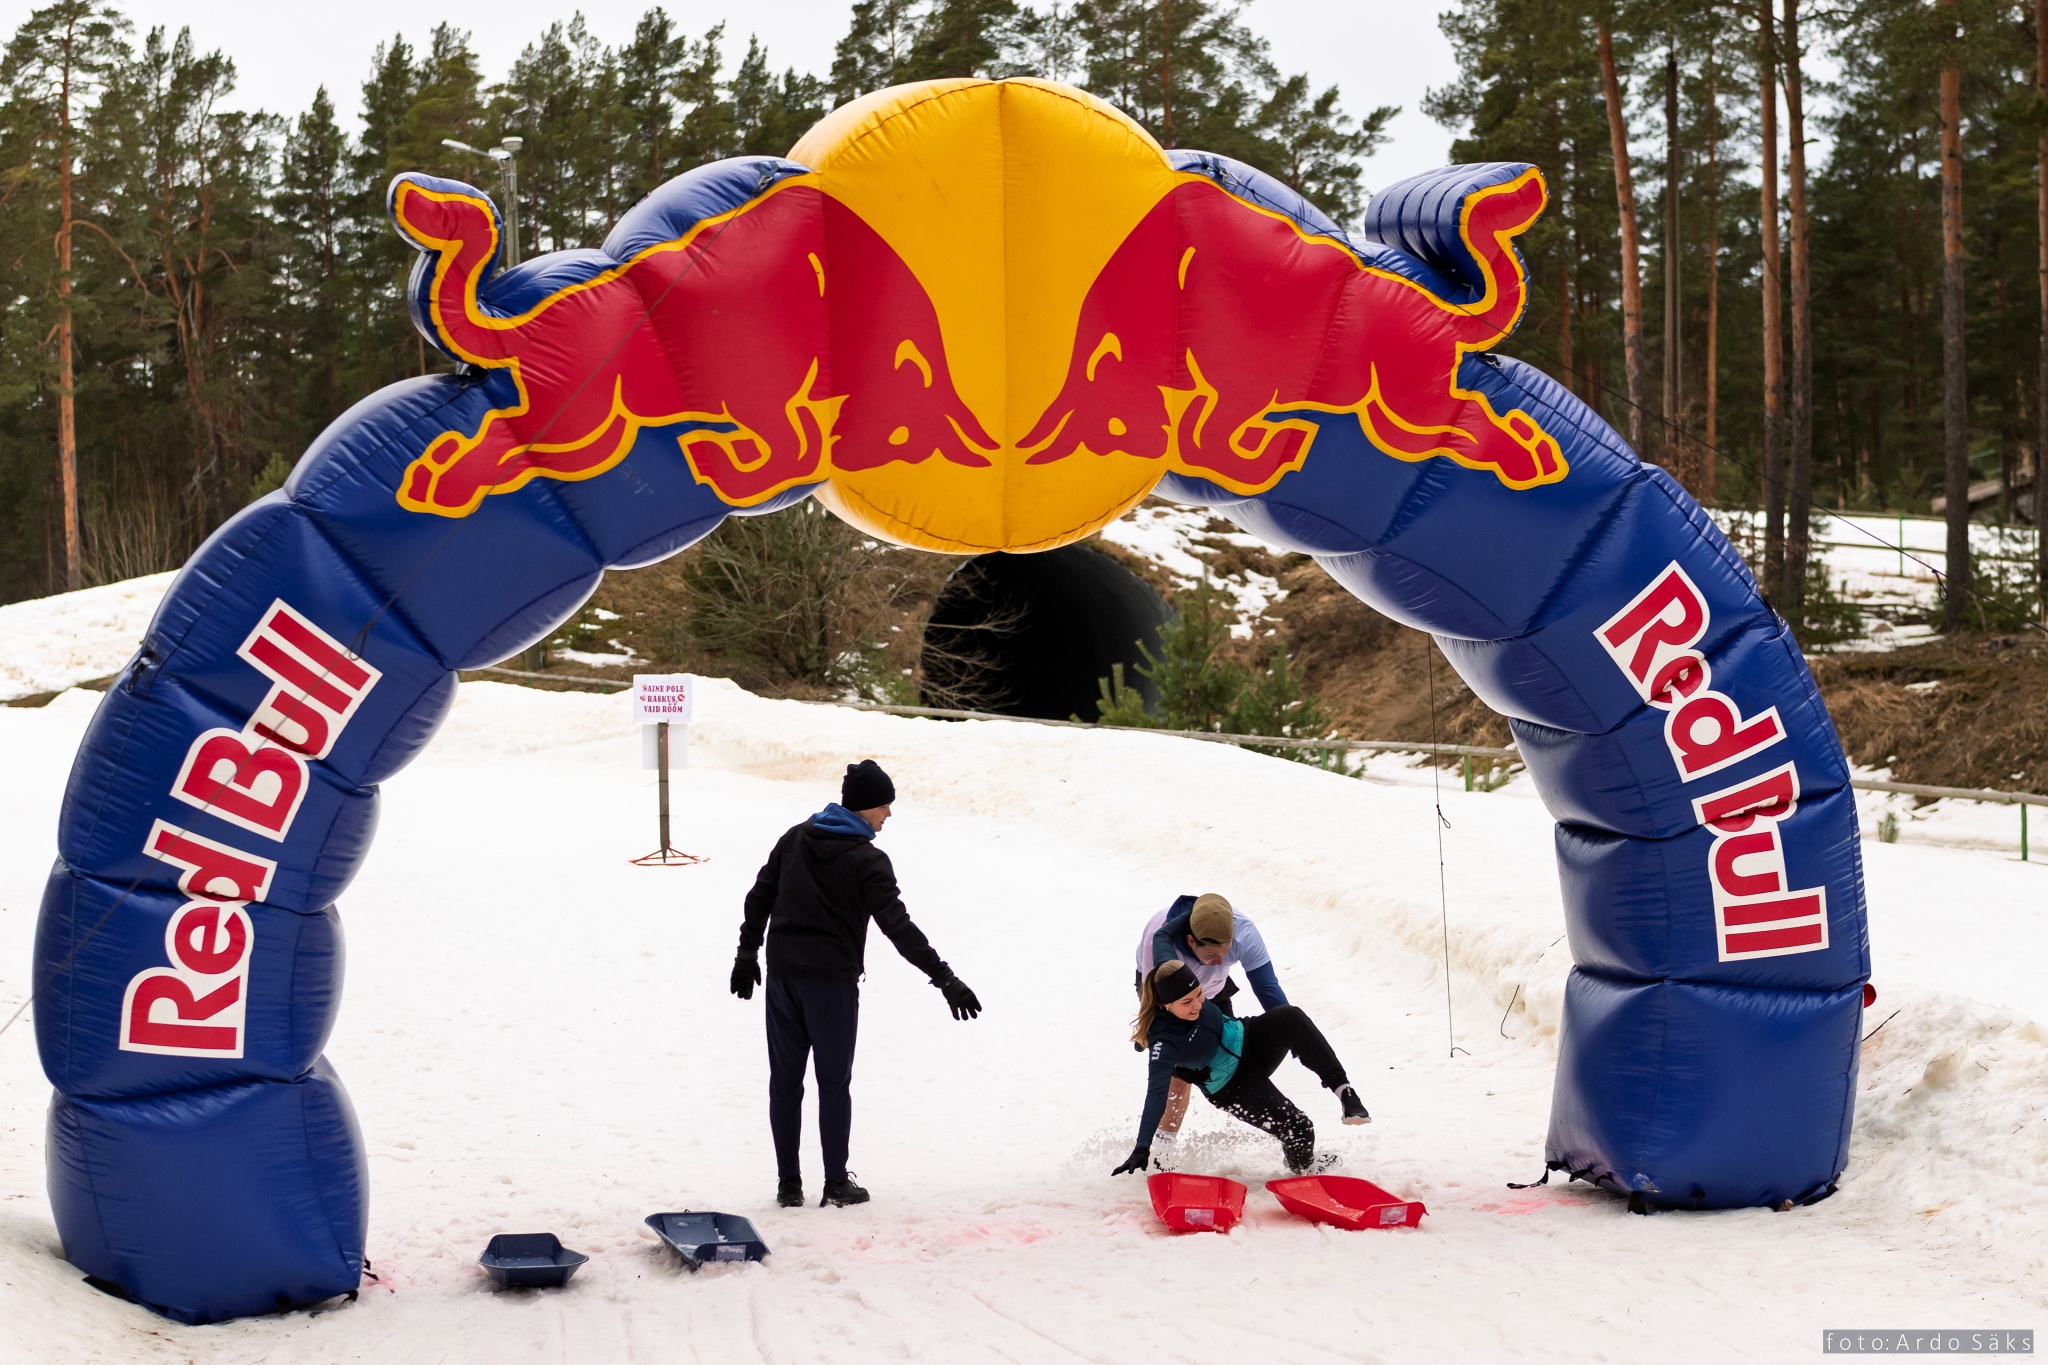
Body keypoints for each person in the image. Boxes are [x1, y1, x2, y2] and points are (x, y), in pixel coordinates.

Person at [733, 759, 981, 1209]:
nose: (888, 814)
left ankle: (789, 1184)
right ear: (866, 807)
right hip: (830, 985)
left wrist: (747, 954)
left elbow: (759, 897)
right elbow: (898, 928)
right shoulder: (868, 860)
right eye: (884, 805)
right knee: (833, 1082)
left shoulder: (795, 838)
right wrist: (944, 978)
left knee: (785, 1081)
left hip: (784, 978)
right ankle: (834, 1183)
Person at [1112, 960, 1369, 1178]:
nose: (1197, 1005)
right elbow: (1156, 1095)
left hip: (1249, 1037)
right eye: (1187, 1002)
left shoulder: (1174, 976)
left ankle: (1344, 1090)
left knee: (1289, 1016)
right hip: (1232, 1085)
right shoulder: (1164, 1043)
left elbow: (1166, 934)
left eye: (1199, 994)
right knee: (1299, 1129)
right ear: (1164, 1004)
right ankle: (1303, 1169)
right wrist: (1142, 1147)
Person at [1133, 893, 1287, 1164]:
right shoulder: (1157, 942)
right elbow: (1156, 997)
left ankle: (1294, 1141)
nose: (1219, 962)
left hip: (1213, 992)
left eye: (1224, 954)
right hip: (1167, 995)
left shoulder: (1243, 933)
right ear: (1191, 940)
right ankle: (1162, 1155)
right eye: (1211, 955)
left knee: (1236, 1064)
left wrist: (1286, 1027)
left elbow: (1266, 987)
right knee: (1181, 1071)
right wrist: (1154, 1031)